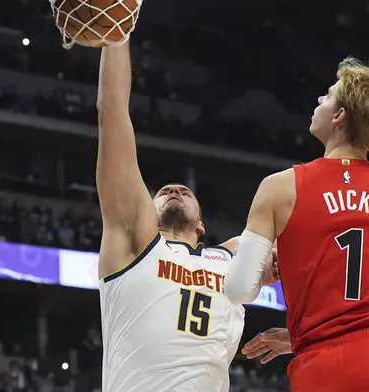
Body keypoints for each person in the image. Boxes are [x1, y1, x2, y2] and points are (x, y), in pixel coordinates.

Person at [224, 58, 369, 391]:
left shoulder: (280, 186)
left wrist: (267, 269)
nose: (319, 101)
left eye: (327, 95)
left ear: (338, 115)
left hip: (323, 370)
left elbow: (238, 289)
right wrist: (301, 334)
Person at [95, 41, 277, 392]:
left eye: (185, 192)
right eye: (163, 191)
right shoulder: (133, 240)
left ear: (202, 225)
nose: (175, 189)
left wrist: (300, 336)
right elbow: (112, 113)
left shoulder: (237, 256)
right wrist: (117, 35)